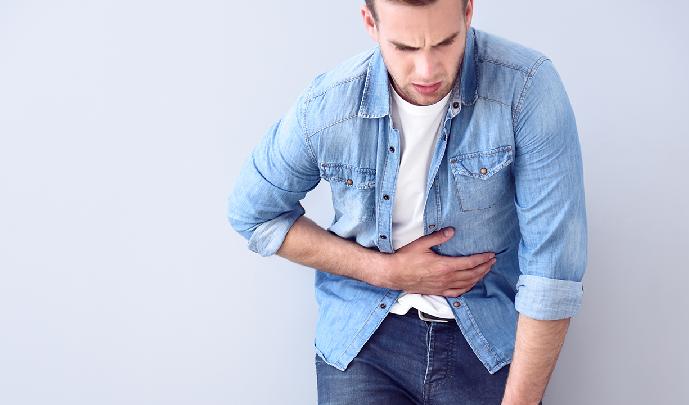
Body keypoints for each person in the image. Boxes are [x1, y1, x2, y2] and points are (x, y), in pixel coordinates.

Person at [227, 0, 587, 403]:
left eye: (445, 42)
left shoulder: (526, 87)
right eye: (405, 47)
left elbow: (552, 271)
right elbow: (253, 213)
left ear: (468, 11)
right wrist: (386, 271)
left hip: (487, 337)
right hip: (363, 334)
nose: (427, 71)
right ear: (371, 23)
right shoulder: (329, 105)